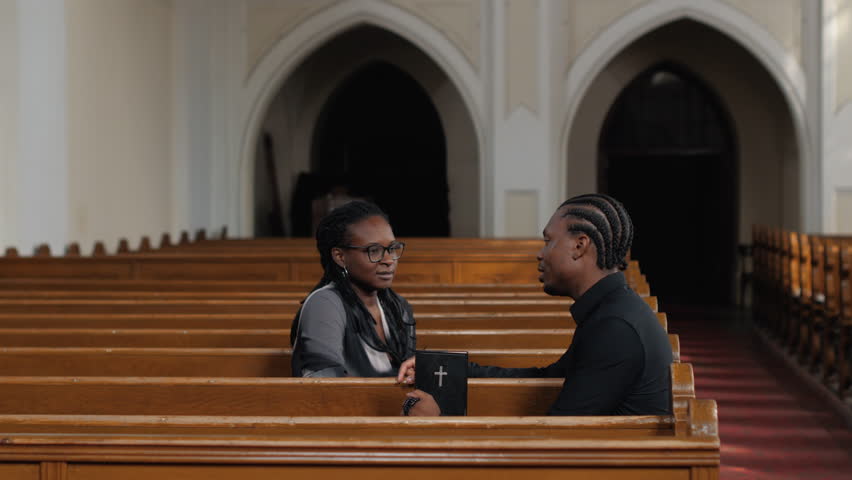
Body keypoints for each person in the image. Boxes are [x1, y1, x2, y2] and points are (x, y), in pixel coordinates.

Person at [397, 193, 672, 415]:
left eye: (548, 241)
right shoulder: (612, 311)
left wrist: (440, 423)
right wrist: (444, 368)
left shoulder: (615, 327)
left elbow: (559, 439)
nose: (540, 254)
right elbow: (547, 378)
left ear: (580, 246)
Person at [291, 200, 416, 377]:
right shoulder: (325, 305)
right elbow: (323, 388)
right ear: (340, 256)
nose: (389, 260)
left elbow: (409, 374)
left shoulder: (398, 306)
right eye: (374, 250)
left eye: (392, 248)